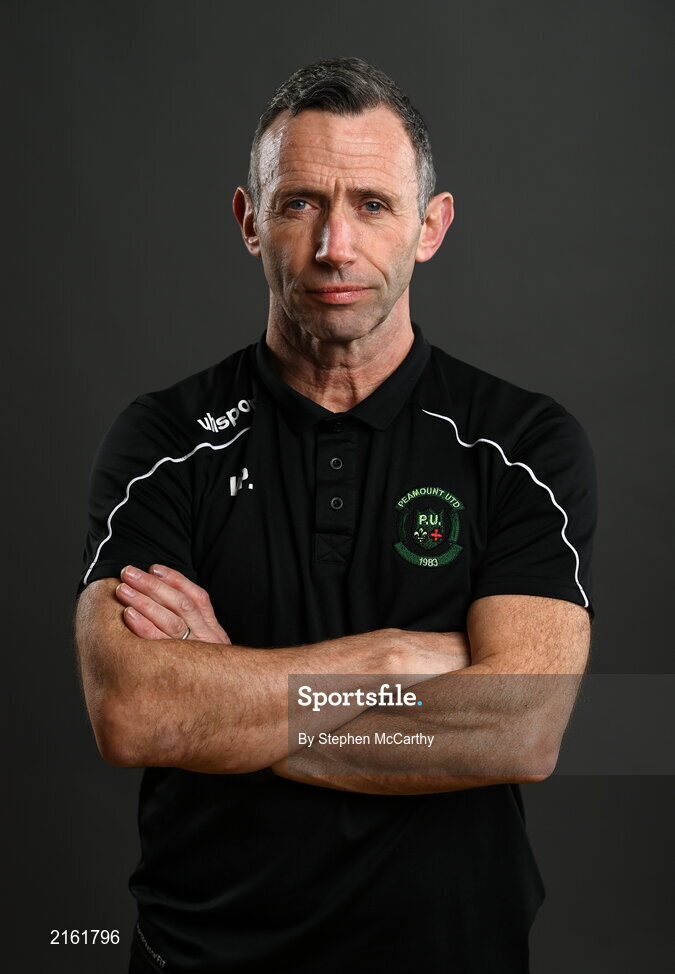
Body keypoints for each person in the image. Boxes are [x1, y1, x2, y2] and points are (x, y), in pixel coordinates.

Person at [74, 57, 597, 974]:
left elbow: (519, 725)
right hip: (200, 956)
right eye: (300, 203)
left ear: (430, 227)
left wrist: (232, 694)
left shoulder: (519, 443)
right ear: (249, 221)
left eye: (373, 205)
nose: (334, 247)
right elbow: (136, 711)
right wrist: (396, 661)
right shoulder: (163, 439)